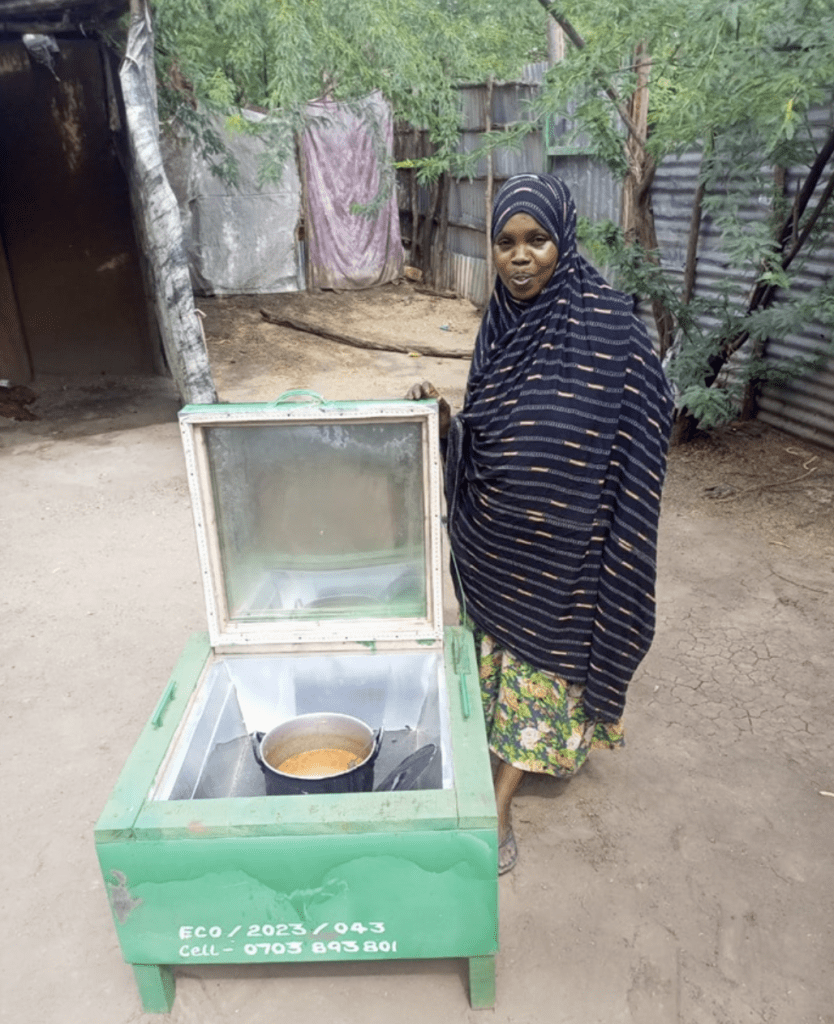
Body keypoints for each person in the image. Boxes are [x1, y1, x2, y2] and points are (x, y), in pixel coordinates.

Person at [409, 172, 674, 874]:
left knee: (540, 677)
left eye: (537, 240)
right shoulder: (500, 323)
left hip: (569, 555)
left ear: (565, 242)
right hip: (498, 543)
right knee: (496, 668)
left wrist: (615, 533)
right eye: (505, 242)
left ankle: (495, 807)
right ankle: (492, 756)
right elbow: (488, 426)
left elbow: (646, 433)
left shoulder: (614, 329)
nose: (520, 256)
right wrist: (445, 426)